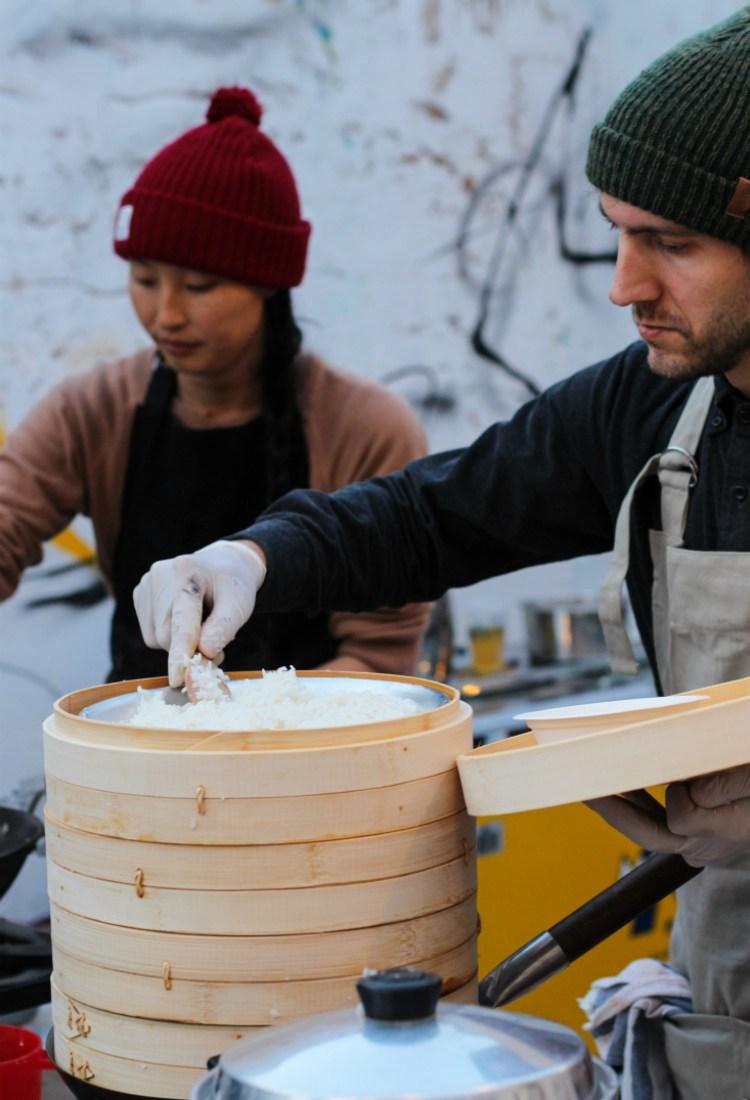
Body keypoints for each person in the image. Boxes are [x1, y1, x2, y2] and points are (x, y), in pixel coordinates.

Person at [134, 12, 750, 1095]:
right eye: (617, 232)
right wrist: (251, 557)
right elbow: (433, 510)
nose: (625, 284)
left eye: (672, 242)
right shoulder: (661, 407)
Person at [0, 85, 430, 681]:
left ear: (268, 284)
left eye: (198, 287)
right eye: (144, 279)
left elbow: (379, 657)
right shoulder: (91, 411)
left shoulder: (365, 429)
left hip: (311, 754)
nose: (165, 315)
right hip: (139, 753)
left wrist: (248, 738)